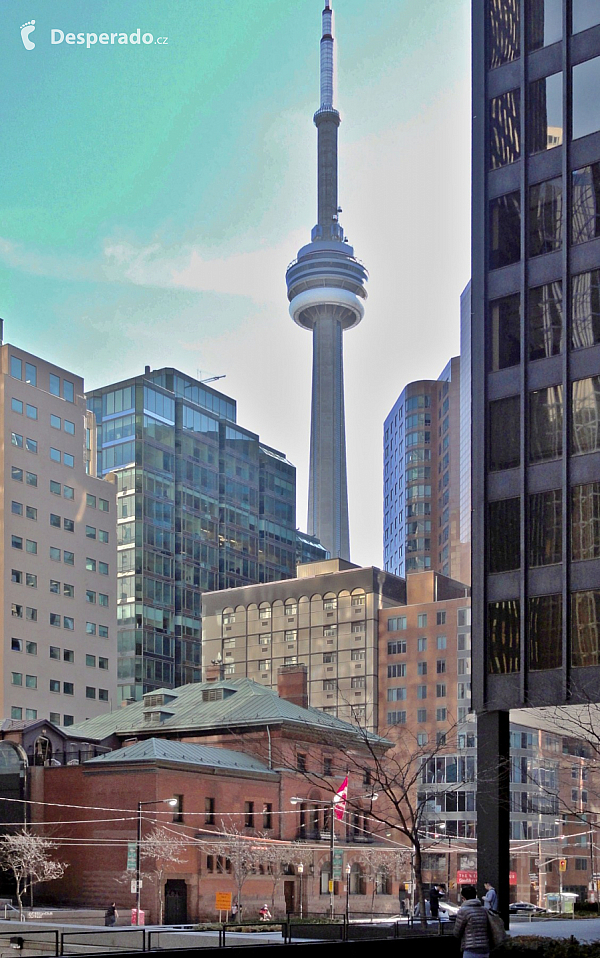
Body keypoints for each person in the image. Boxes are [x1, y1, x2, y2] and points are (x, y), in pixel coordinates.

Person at [454, 885, 490, 958]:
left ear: (463, 898)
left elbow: (457, 932)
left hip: (470, 949)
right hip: (485, 948)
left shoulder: (463, 911)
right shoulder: (484, 910)